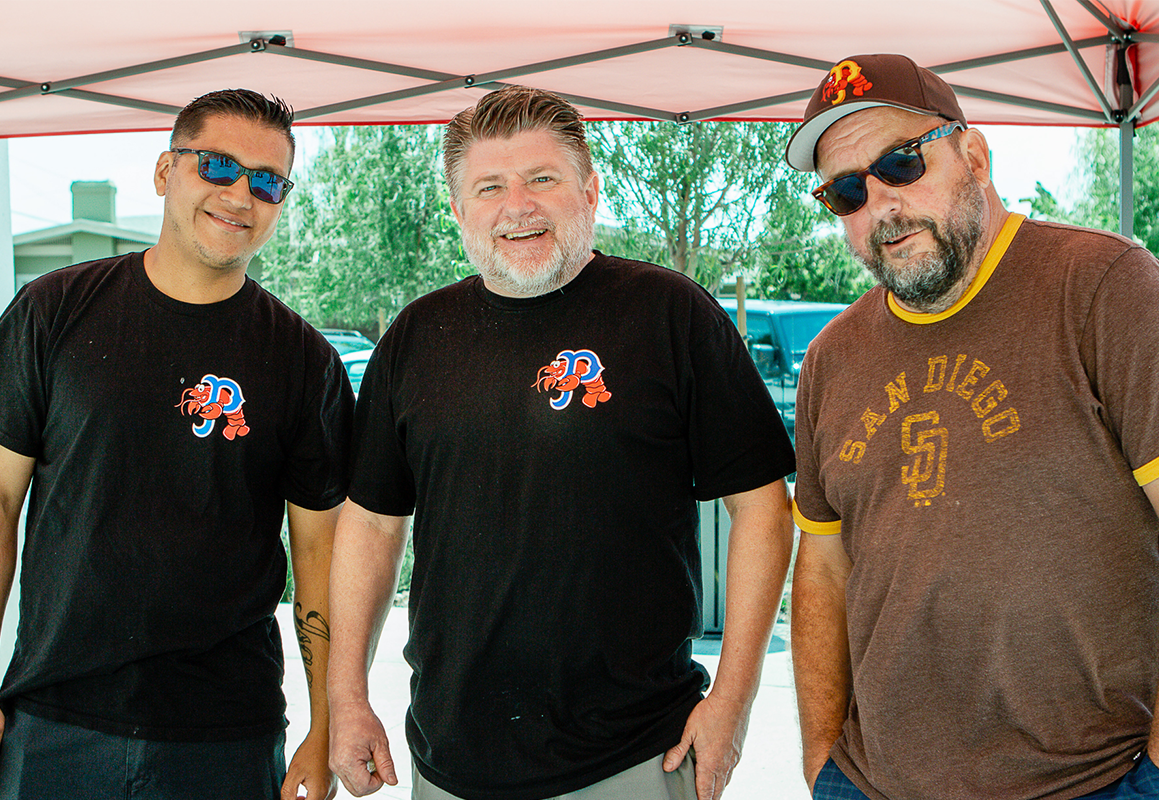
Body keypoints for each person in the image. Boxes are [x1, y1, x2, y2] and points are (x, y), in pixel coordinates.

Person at [326, 85, 795, 800]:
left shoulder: (670, 314)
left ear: (590, 191)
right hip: (450, 759)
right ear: (459, 211)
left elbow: (762, 509)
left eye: (542, 178)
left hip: (636, 757)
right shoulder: (417, 337)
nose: (517, 206)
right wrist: (346, 697)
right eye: (489, 187)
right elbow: (371, 524)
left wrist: (733, 701)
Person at [785, 53, 1159, 800]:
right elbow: (821, 567)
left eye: (901, 164)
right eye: (846, 190)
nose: (880, 205)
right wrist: (823, 762)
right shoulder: (830, 358)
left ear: (974, 156)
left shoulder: (1104, 287)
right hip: (871, 783)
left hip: (1095, 781)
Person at [0, 89, 353, 800]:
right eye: (217, 166)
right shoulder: (52, 312)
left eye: (268, 181)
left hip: (226, 735)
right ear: (166, 171)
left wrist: (324, 727)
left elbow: (320, 555)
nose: (240, 195)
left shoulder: (304, 361)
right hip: (55, 722)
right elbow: (2, 503)